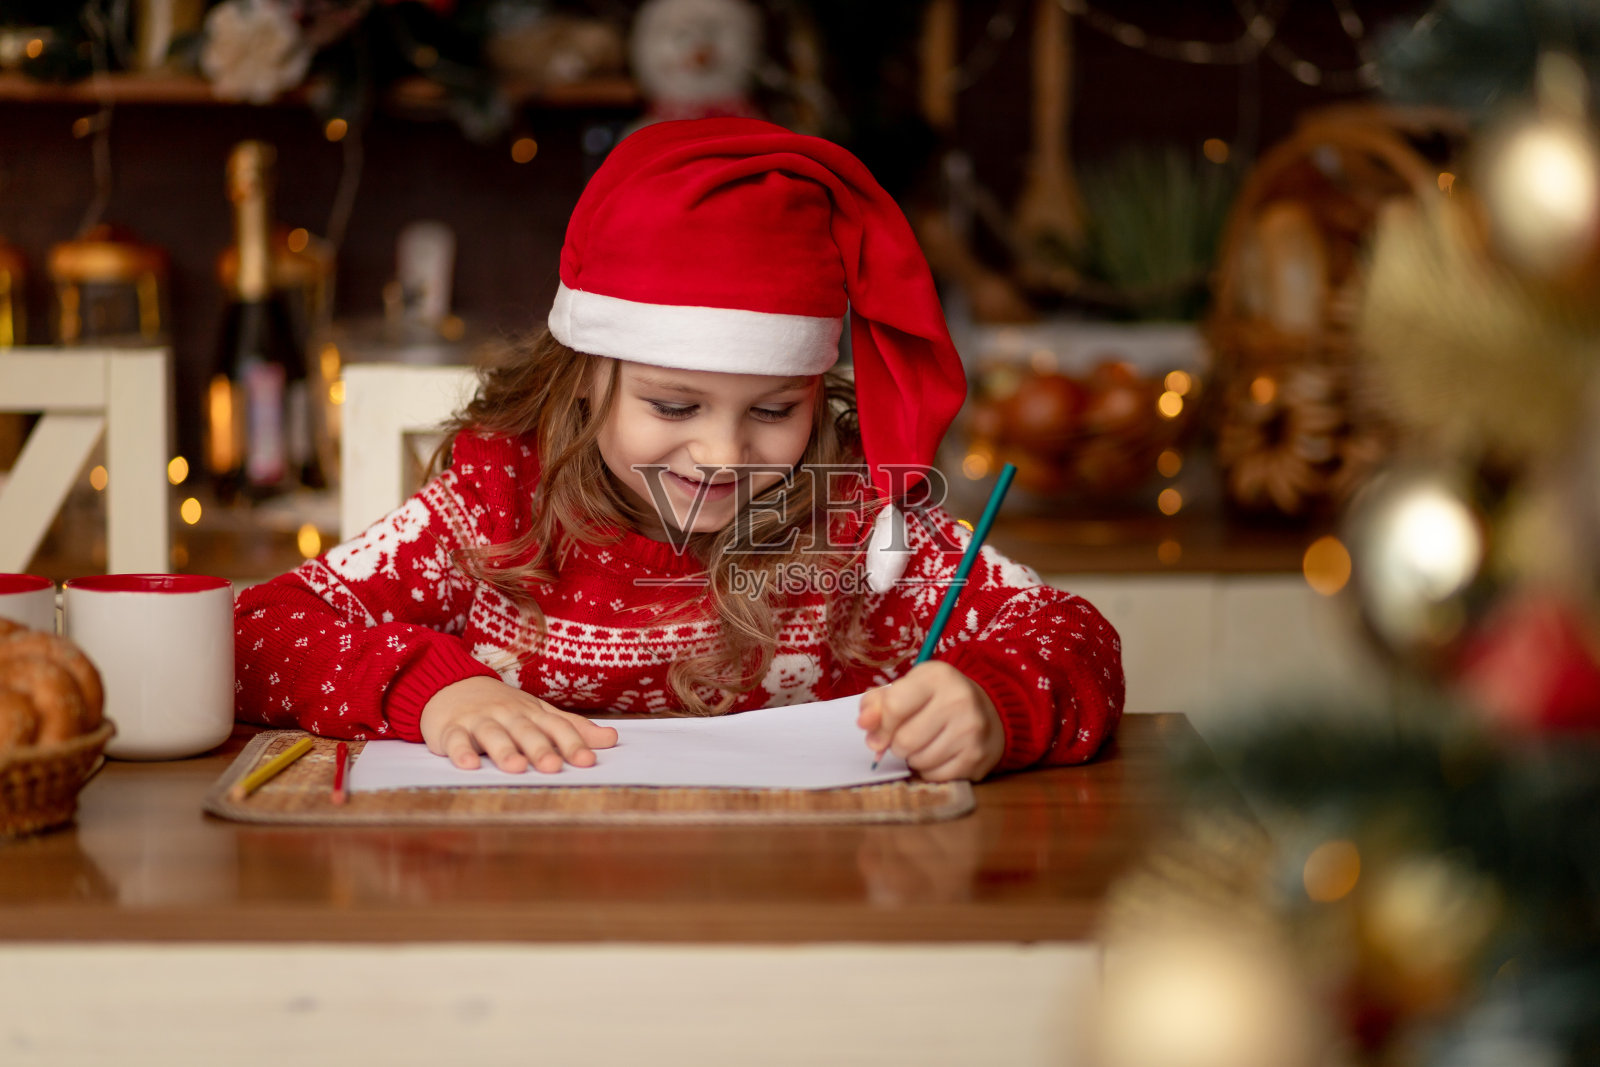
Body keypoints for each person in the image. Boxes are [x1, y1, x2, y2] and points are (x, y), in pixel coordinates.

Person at [234, 117, 1124, 782]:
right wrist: (430, 687)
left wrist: (993, 704)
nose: (722, 452)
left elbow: (1077, 638)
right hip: (526, 908)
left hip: (799, 909)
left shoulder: (861, 519)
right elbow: (257, 631)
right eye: (674, 403)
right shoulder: (494, 504)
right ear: (585, 373)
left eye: (773, 411)